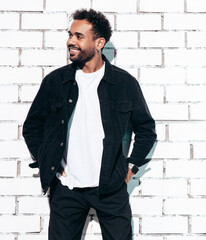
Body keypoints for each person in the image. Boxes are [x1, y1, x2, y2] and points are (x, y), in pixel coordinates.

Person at [22, 8, 157, 240]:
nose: (70, 41)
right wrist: (48, 160)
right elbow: (32, 127)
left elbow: (146, 129)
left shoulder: (124, 83)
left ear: (99, 42)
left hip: (111, 188)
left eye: (79, 36)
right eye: (70, 35)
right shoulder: (55, 82)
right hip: (66, 189)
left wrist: (131, 168)